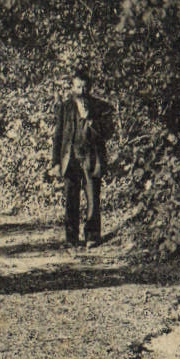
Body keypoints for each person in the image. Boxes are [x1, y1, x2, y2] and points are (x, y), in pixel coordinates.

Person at [50, 70, 115, 248]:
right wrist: (55, 162)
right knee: (71, 198)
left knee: (93, 197)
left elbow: (108, 132)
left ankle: (92, 235)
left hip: (91, 158)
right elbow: (58, 136)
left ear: (90, 87)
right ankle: (71, 237)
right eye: (78, 86)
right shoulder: (64, 107)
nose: (82, 90)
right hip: (70, 158)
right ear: (72, 87)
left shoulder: (101, 107)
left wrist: (92, 120)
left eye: (85, 86)